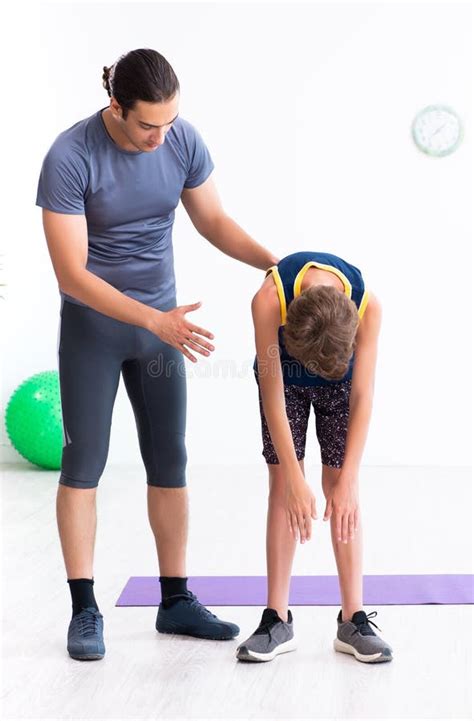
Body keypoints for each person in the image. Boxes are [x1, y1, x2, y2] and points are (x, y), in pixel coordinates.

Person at [36, 48, 278, 661]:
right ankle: (84, 609)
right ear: (116, 106)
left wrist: (279, 266)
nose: (161, 136)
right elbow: (71, 274)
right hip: (97, 328)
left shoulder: (180, 139)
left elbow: (214, 220)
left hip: (161, 329)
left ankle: (175, 601)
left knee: (169, 459)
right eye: (148, 124)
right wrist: (153, 320)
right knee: (83, 462)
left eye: (170, 122)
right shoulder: (71, 156)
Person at [236, 251, 393, 664]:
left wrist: (347, 481)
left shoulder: (368, 307)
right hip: (284, 381)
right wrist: (293, 476)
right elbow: (272, 392)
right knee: (284, 486)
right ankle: (277, 619)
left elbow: (362, 395)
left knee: (342, 488)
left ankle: (353, 618)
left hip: (342, 384)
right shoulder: (268, 301)